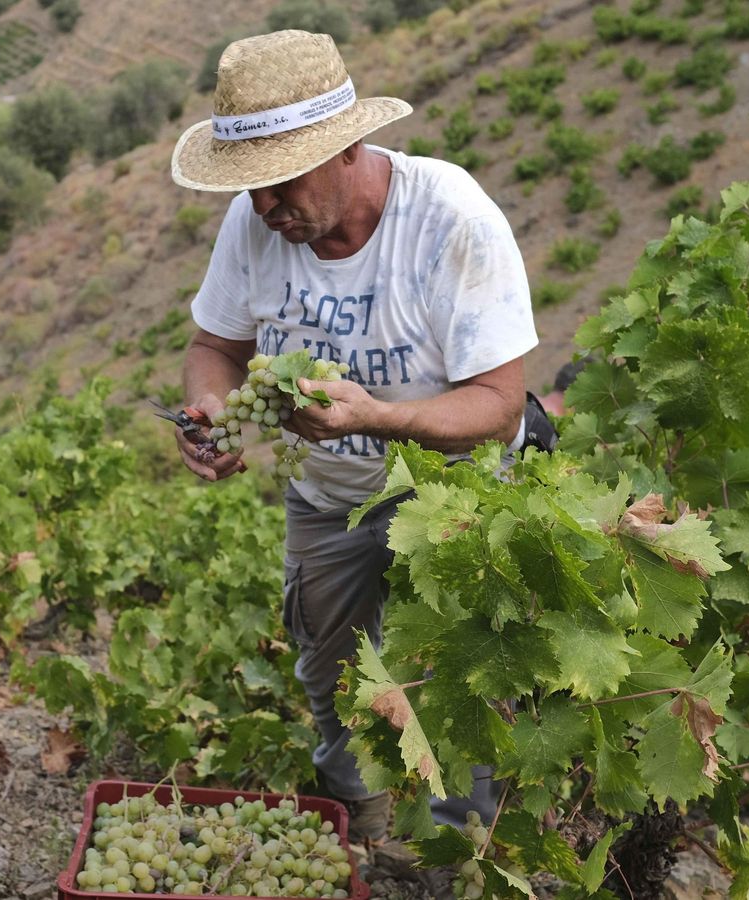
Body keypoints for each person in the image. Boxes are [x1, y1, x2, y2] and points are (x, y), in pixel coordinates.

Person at [168, 30, 539, 844]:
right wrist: (206, 415)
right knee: (332, 679)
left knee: (454, 689)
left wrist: (374, 415)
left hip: (456, 502)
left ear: (347, 149)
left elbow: (499, 406)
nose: (266, 209)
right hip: (328, 500)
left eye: (281, 184)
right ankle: (360, 831)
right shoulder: (255, 222)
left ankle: (457, 855)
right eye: (253, 189)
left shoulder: (449, 219)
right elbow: (215, 349)